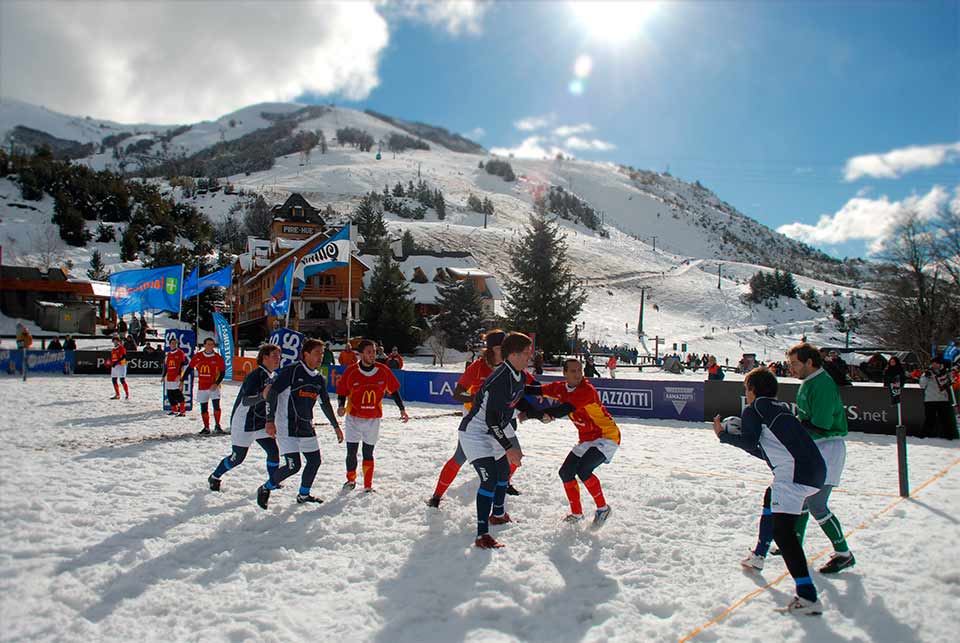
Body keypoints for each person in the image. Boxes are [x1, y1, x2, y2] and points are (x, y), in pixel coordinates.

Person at [716, 367, 826, 615]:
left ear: (752, 390)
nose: (746, 393)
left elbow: (748, 441)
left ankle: (808, 597)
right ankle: (758, 555)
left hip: (795, 474)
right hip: (815, 470)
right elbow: (764, 450)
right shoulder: (780, 409)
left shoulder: (754, 409)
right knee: (771, 497)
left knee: (784, 533)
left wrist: (723, 435)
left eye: (746, 388)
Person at [778, 342, 855, 574]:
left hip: (827, 449)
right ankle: (795, 545)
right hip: (815, 448)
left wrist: (791, 430)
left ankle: (844, 554)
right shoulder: (810, 382)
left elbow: (821, 424)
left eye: (794, 364)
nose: (791, 368)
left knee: (817, 504)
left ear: (810, 362)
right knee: (801, 500)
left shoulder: (821, 384)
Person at [458, 332, 540, 549]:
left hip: (494, 429)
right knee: (490, 479)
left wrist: (540, 414)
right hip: (476, 433)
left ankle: (499, 514)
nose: (529, 357)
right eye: (525, 353)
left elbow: (519, 401)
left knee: (504, 472)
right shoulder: (500, 379)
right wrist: (508, 447)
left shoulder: (518, 374)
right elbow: (491, 419)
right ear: (512, 354)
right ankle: (481, 534)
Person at [427, 330, 524, 507]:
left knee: (514, 456)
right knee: (459, 457)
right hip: (476, 421)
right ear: (493, 349)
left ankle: (504, 483)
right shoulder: (478, 367)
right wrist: (476, 398)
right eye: (503, 347)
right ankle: (436, 496)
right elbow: (458, 393)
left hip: (500, 418)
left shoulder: (510, 366)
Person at [527, 358, 620, 526]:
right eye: (573, 371)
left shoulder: (586, 390)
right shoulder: (560, 388)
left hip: (607, 436)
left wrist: (532, 414)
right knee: (566, 473)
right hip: (586, 439)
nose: (577, 374)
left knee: (584, 470)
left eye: (580, 370)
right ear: (564, 373)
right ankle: (576, 513)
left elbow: (564, 409)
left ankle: (603, 509)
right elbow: (537, 390)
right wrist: (514, 389)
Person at [258, 338, 343, 509]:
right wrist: (269, 421)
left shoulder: (319, 378)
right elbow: (273, 394)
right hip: (286, 426)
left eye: (323, 353)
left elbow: (325, 403)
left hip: (306, 426)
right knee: (293, 466)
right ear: (306, 354)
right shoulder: (293, 371)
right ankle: (266, 487)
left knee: (314, 461)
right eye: (317, 353)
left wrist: (336, 426)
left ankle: (303, 494)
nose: (321, 357)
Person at [336, 339, 410, 492]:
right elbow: (342, 392)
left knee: (368, 452)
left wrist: (402, 409)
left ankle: (368, 485)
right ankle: (350, 480)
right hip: (354, 418)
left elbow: (394, 390)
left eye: (374, 352)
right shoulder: (351, 371)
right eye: (369, 352)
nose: (372, 355)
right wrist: (341, 406)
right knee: (351, 451)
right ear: (361, 354)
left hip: (373, 419)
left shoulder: (383, 370)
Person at [208, 344, 281, 492]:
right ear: (264, 357)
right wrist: (262, 396)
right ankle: (215, 476)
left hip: (260, 423)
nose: (278, 359)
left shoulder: (273, 376)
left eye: (279, 356)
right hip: (243, 423)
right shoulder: (255, 375)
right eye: (275, 356)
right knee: (237, 458)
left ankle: (273, 483)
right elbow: (247, 400)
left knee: (273, 452)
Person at [189, 337, 228, 435]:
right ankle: (206, 427)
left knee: (216, 406)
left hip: (214, 387)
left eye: (212, 344)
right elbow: (190, 368)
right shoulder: (198, 356)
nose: (210, 346)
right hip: (202, 387)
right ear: (204, 345)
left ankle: (218, 426)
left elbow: (223, 372)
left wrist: (216, 383)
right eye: (208, 344)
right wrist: (182, 380)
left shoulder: (217, 357)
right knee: (204, 408)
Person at [919, 358, 958, 439]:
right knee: (930, 419)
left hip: (943, 399)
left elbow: (951, 382)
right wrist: (926, 377)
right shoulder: (927, 372)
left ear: (940, 364)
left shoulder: (945, 372)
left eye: (936, 363)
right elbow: (922, 385)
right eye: (933, 363)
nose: (934, 365)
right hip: (930, 399)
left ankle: (949, 436)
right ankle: (926, 435)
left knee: (945, 419)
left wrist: (950, 374)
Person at [162, 337, 189, 417]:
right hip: (169, 377)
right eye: (172, 343)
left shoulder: (180, 353)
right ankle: (174, 410)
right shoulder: (169, 354)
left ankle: (183, 411)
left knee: (178, 394)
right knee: (170, 394)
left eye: (175, 343)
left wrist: (179, 375)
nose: (173, 345)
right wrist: (163, 376)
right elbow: (166, 366)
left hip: (176, 377)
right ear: (169, 344)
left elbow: (182, 364)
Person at [106, 335, 129, 400]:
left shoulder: (122, 348)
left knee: (122, 380)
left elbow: (124, 356)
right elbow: (112, 358)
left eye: (116, 341)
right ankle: (117, 394)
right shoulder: (113, 350)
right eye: (114, 341)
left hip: (121, 365)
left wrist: (116, 362)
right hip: (115, 366)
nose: (115, 342)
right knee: (114, 380)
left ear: (119, 341)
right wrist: (110, 362)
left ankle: (127, 394)